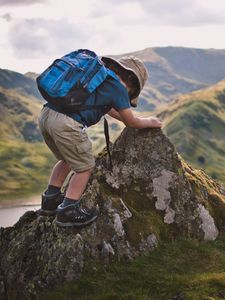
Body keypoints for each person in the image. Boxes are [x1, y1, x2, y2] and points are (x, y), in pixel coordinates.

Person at [38, 54, 162, 227]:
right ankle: (68, 211)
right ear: (132, 84)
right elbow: (130, 121)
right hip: (66, 124)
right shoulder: (118, 88)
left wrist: (133, 117)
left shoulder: (100, 78)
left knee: (66, 159)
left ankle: (50, 201)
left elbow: (111, 111)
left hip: (46, 115)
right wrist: (150, 121)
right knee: (85, 168)